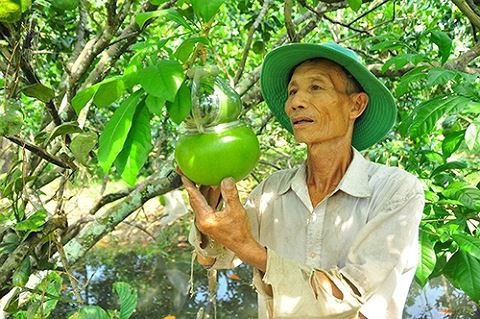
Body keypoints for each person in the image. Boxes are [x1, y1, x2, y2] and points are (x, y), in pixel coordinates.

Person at [179, 42, 425, 318]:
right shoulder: (272, 191)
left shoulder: (396, 191)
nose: (296, 102)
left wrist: (252, 251)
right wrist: (211, 197)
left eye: (316, 87)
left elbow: (351, 297)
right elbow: (213, 258)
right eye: (292, 91)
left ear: (356, 104)